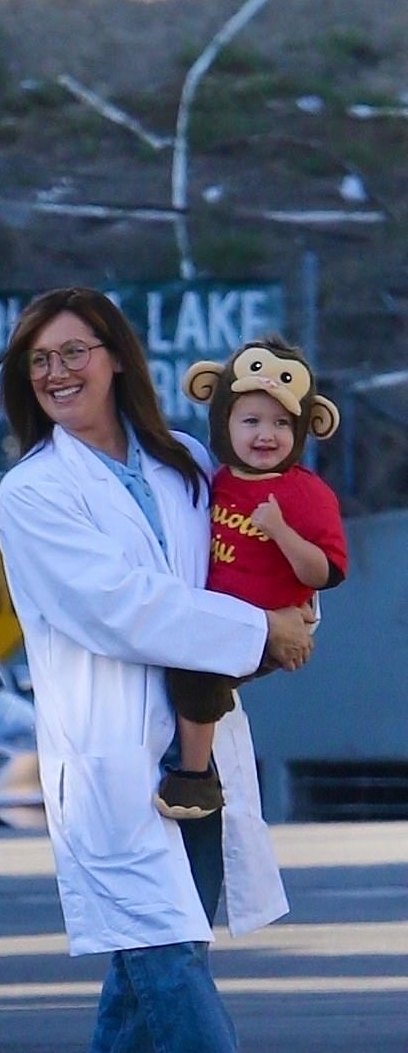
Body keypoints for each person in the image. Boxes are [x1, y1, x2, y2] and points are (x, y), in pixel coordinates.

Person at [0, 287, 314, 1053]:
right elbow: (120, 605)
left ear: (117, 357)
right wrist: (261, 628)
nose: (57, 373)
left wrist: (296, 612)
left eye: (73, 352)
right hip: (107, 758)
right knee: (169, 951)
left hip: (201, 746)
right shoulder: (35, 492)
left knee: (148, 965)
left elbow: (242, 562)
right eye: (39, 362)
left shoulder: (183, 469)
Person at [155, 336, 347, 820]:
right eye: (251, 421)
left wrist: (280, 531)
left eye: (282, 423)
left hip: (267, 627)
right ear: (223, 421)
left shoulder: (306, 493)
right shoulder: (216, 479)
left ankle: (194, 779)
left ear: (305, 427)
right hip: (224, 617)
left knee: (197, 673)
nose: (266, 434)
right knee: (192, 671)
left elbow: (325, 572)